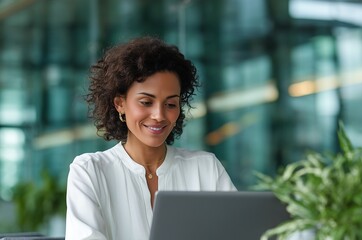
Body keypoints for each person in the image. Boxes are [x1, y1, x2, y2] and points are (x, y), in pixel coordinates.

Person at [65, 36, 237, 240]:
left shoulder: (206, 168)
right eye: (146, 102)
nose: (159, 115)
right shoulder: (89, 171)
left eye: (170, 104)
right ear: (120, 103)